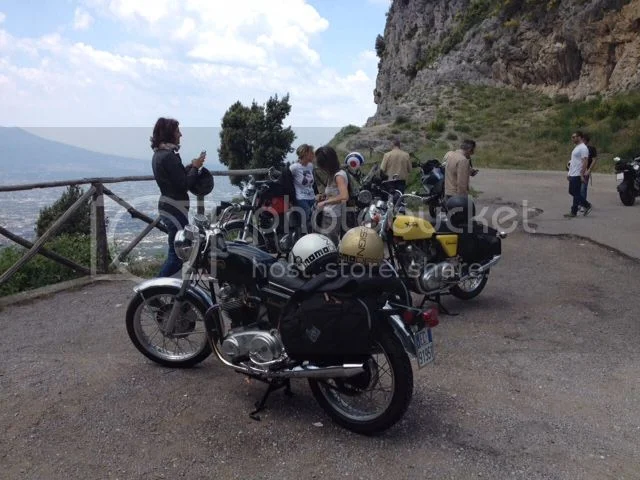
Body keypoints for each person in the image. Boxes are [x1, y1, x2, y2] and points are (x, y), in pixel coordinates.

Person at [151, 117, 206, 277]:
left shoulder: (159, 155)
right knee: (177, 257)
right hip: (176, 209)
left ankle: (168, 292)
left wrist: (191, 166)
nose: (180, 134)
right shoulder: (169, 157)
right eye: (177, 131)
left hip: (169, 207)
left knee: (175, 253)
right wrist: (195, 168)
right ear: (169, 134)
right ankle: (155, 291)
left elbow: (175, 177)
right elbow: (183, 184)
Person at [314, 145, 349, 246]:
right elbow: (335, 193)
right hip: (329, 214)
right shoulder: (332, 175)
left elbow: (344, 196)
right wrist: (323, 196)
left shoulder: (339, 176)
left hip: (333, 216)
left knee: (329, 243)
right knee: (325, 241)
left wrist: (324, 202)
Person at [565, 131, 592, 217]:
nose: (572, 139)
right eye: (572, 137)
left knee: (575, 193)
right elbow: (573, 162)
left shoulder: (583, 148)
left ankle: (575, 210)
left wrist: (582, 174)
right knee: (572, 192)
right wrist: (569, 173)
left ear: (580, 137)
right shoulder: (577, 147)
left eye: (574, 137)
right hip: (573, 173)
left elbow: (585, 162)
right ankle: (584, 205)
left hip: (578, 174)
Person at [290, 144, 316, 232]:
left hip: (311, 197)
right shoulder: (294, 167)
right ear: (305, 154)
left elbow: (313, 182)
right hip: (301, 198)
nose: (313, 154)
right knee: (307, 220)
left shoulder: (310, 166)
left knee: (316, 218)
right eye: (311, 153)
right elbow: (287, 179)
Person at [581, 133, 597, 202]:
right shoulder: (578, 148)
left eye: (582, 140)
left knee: (583, 188)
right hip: (577, 170)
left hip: (586, 170)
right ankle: (579, 203)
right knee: (577, 189)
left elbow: (594, 160)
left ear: (585, 140)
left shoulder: (591, 149)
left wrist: (589, 170)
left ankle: (583, 204)